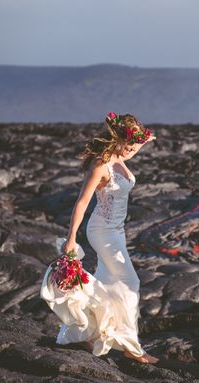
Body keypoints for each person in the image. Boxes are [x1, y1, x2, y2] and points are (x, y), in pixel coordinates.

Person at [57, 112, 157, 364]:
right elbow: (81, 204)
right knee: (131, 282)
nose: (132, 152)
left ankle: (87, 333)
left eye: (136, 147)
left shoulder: (122, 156)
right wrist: (71, 239)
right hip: (101, 231)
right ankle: (132, 347)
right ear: (117, 140)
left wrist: (143, 140)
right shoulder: (100, 166)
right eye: (130, 146)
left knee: (108, 284)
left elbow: (132, 148)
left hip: (118, 231)